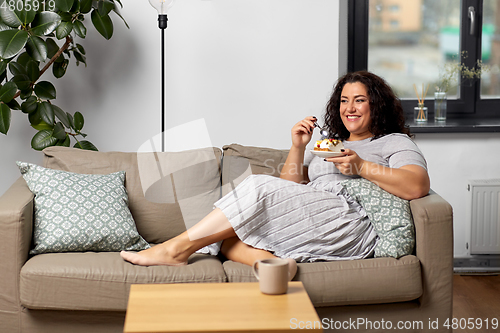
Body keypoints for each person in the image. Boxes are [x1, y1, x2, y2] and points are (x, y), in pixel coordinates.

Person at [120, 71, 430, 276]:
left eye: (359, 100)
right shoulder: (329, 145)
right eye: (344, 101)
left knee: (254, 188)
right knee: (231, 231)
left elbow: (417, 185)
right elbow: (288, 191)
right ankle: (270, 264)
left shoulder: (393, 142)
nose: (349, 108)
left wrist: (361, 166)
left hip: (352, 223)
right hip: (318, 213)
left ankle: (176, 249)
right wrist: (297, 147)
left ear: (376, 105)